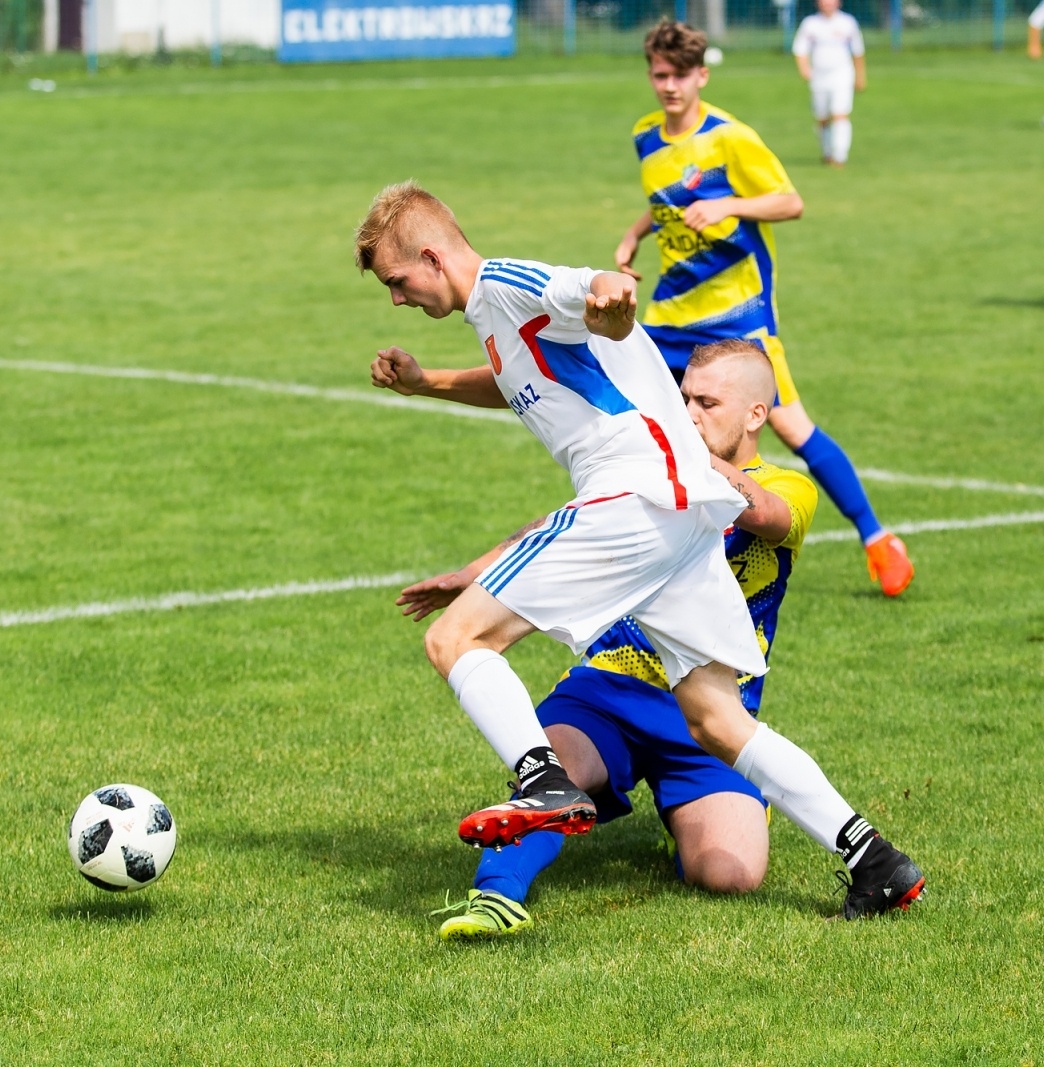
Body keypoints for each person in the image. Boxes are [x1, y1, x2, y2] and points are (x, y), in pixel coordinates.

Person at [358, 184, 924, 918]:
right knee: (718, 718)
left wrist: (614, 297)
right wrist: (425, 382)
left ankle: (543, 781)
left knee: (454, 637)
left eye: (397, 282)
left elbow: (598, 287)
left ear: (432, 256)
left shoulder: (507, 283)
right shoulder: (497, 325)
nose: (397, 300)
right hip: (684, 511)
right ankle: (876, 860)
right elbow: (518, 381)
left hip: (632, 494)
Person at [409, 340, 925, 939]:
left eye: (707, 402)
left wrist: (679, 452)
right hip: (606, 689)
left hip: (709, 707)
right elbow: (564, 525)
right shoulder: (647, 471)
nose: (691, 414)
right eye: (683, 400)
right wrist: (474, 575)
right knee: (552, 771)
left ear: (757, 414)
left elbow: (764, 514)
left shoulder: (788, 487)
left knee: (730, 873)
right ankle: (496, 897)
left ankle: (676, 814)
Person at [615, 19, 914, 596]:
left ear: (701, 74)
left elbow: (790, 201)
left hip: (740, 311)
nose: (670, 86)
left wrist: (728, 203)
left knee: (788, 424)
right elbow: (666, 201)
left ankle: (877, 539)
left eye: (680, 75)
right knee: (642, 424)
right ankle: (656, 553)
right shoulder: (645, 136)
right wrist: (633, 236)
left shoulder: (731, 137)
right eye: (660, 75)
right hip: (672, 311)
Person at [791, 0, 865, 166]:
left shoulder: (848, 23)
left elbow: (858, 52)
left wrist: (860, 76)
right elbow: (800, 49)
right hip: (819, 76)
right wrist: (804, 69)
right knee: (822, 118)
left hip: (842, 74)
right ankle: (827, 152)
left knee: (840, 114)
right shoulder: (810, 24)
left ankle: (840, 156)